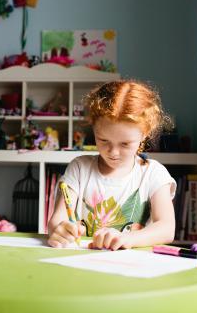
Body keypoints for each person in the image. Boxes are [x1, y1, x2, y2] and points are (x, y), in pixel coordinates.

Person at [47, 80, 176, 250]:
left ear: (144, 134)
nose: (113, 152)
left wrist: (127, 239)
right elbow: (57, 220)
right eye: (103, 140)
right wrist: (60, 230)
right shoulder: (79, 168)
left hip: (133, 268)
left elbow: (167, 228)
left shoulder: (153, 173)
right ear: (94, 129)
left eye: (125, 144)